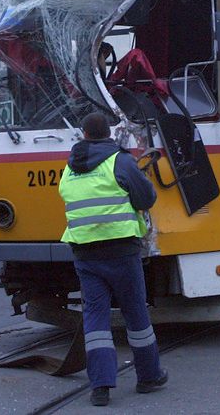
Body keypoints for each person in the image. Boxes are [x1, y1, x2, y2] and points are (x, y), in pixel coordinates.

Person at [58, 112, 168, 407]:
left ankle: (101, 387)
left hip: (85, 254)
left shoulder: (69, 169)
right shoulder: (119, 160)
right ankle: (149, 376)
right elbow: (146, 199)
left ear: (83, 135)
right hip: (121, 251)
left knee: (95, 318)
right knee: (135, 313)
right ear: (109, 133)